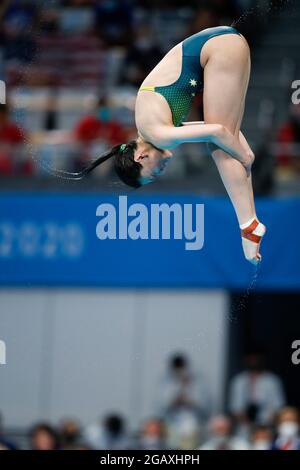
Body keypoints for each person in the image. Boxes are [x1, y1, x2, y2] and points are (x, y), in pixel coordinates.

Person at [49, 26, 266, 264]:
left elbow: (218, 131)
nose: (161, 170)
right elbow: (218, 129)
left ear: (140, 157)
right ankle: (250, 222)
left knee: (218, 146)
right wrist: (240, 149)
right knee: (223, 143)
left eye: (155, 172)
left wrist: (245, 157)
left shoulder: (160, 135)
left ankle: (248, 225)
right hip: (225, 43)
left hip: (220, 50)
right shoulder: (152, 128)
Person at [228, 349, 285, 436]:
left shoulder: (272, 380)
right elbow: (235, 407)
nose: (254, 361)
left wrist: (263, 425)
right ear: (245, 359)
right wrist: (248, 424)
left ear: (262, 359)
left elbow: (278, 406)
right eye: (251, 358)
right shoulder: (239, 380)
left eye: (256, 358)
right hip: (244, 429)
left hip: (266, 428)